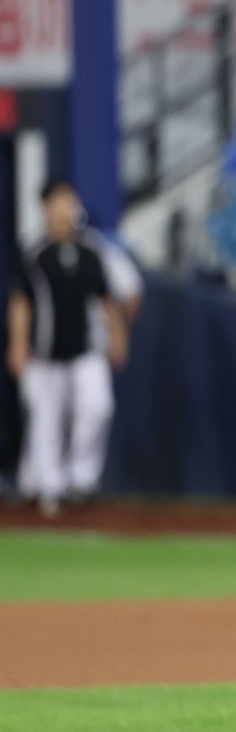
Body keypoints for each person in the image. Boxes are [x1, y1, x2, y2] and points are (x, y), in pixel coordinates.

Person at [8, 181, 128, 518]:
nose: (67, 210)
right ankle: (50, 489)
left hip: (86, 350)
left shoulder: (90, 250)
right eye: (60, 203)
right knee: (44, 421)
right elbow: (21, 302)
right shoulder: (35, 253)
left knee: (98, 408)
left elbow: (106, 298)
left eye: (71, 203)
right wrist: (18, 344)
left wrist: (118, 337)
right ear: (46, 208)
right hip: (44, 353)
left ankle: (81, 481)